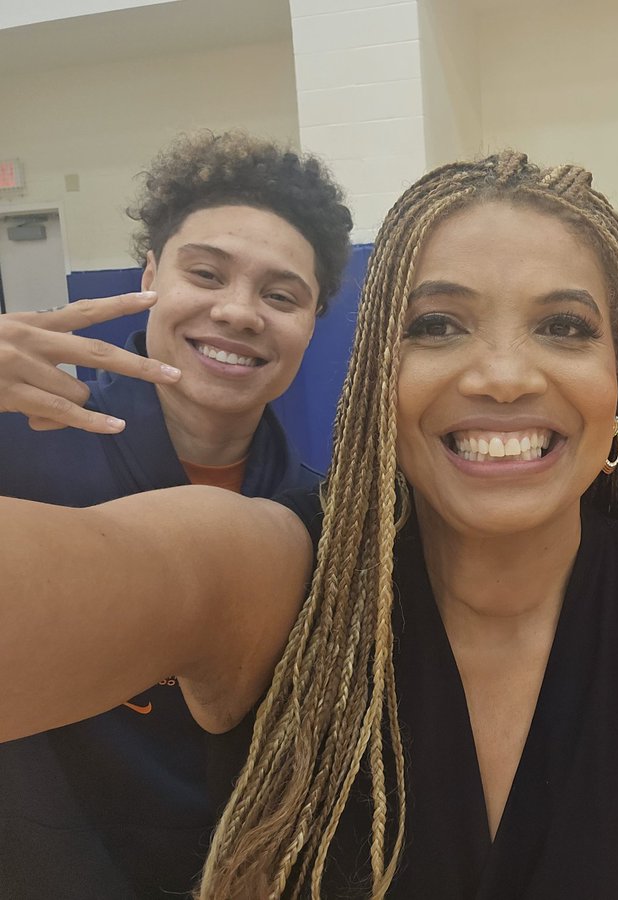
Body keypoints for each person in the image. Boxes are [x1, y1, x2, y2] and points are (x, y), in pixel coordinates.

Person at [0, 151, 618, 898]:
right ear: (380, 378)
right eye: (437, 325)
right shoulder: (276, 575)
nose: (500, 376)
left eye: (564, 327)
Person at [0, 131, 353, 896]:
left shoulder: (319, 512)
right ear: (151, 273)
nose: (239, 312)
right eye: (205, 273)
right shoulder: (20, 441)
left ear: (312, 320)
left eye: (281, 294)